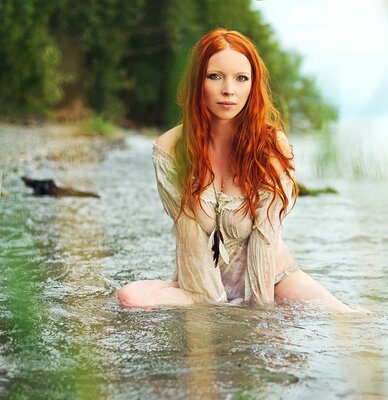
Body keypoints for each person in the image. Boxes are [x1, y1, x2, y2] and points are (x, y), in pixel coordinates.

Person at [117, 28, 352, 312]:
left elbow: (265, 238)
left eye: (241, 78)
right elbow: (190, 237)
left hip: (273, 278)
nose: (229, 90)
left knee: (348, 316)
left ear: (253, 86)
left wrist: (258, 313)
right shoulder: (170, 149)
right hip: (198, 283)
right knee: (130, 297)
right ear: (197, 82)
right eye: (215, 76)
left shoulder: (271, 145)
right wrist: (217, 308)